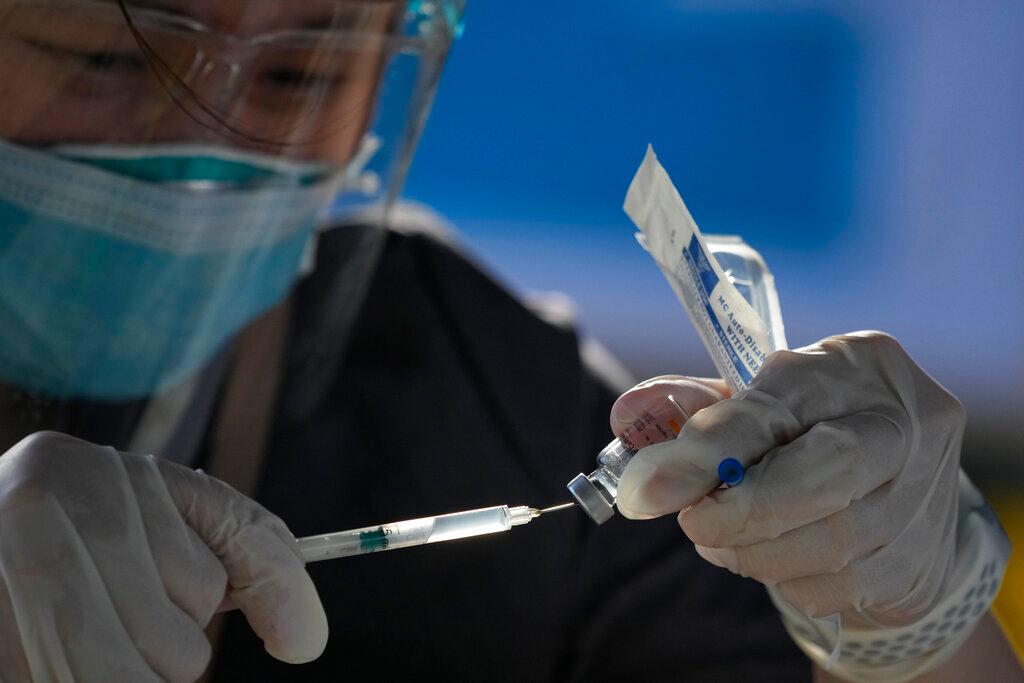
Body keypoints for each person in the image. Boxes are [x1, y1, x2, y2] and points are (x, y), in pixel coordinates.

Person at [0, 1, 1016, 681]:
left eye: (296, 76)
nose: (205, 142)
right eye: (102, 56)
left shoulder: (478, 382)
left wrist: (913, 611)